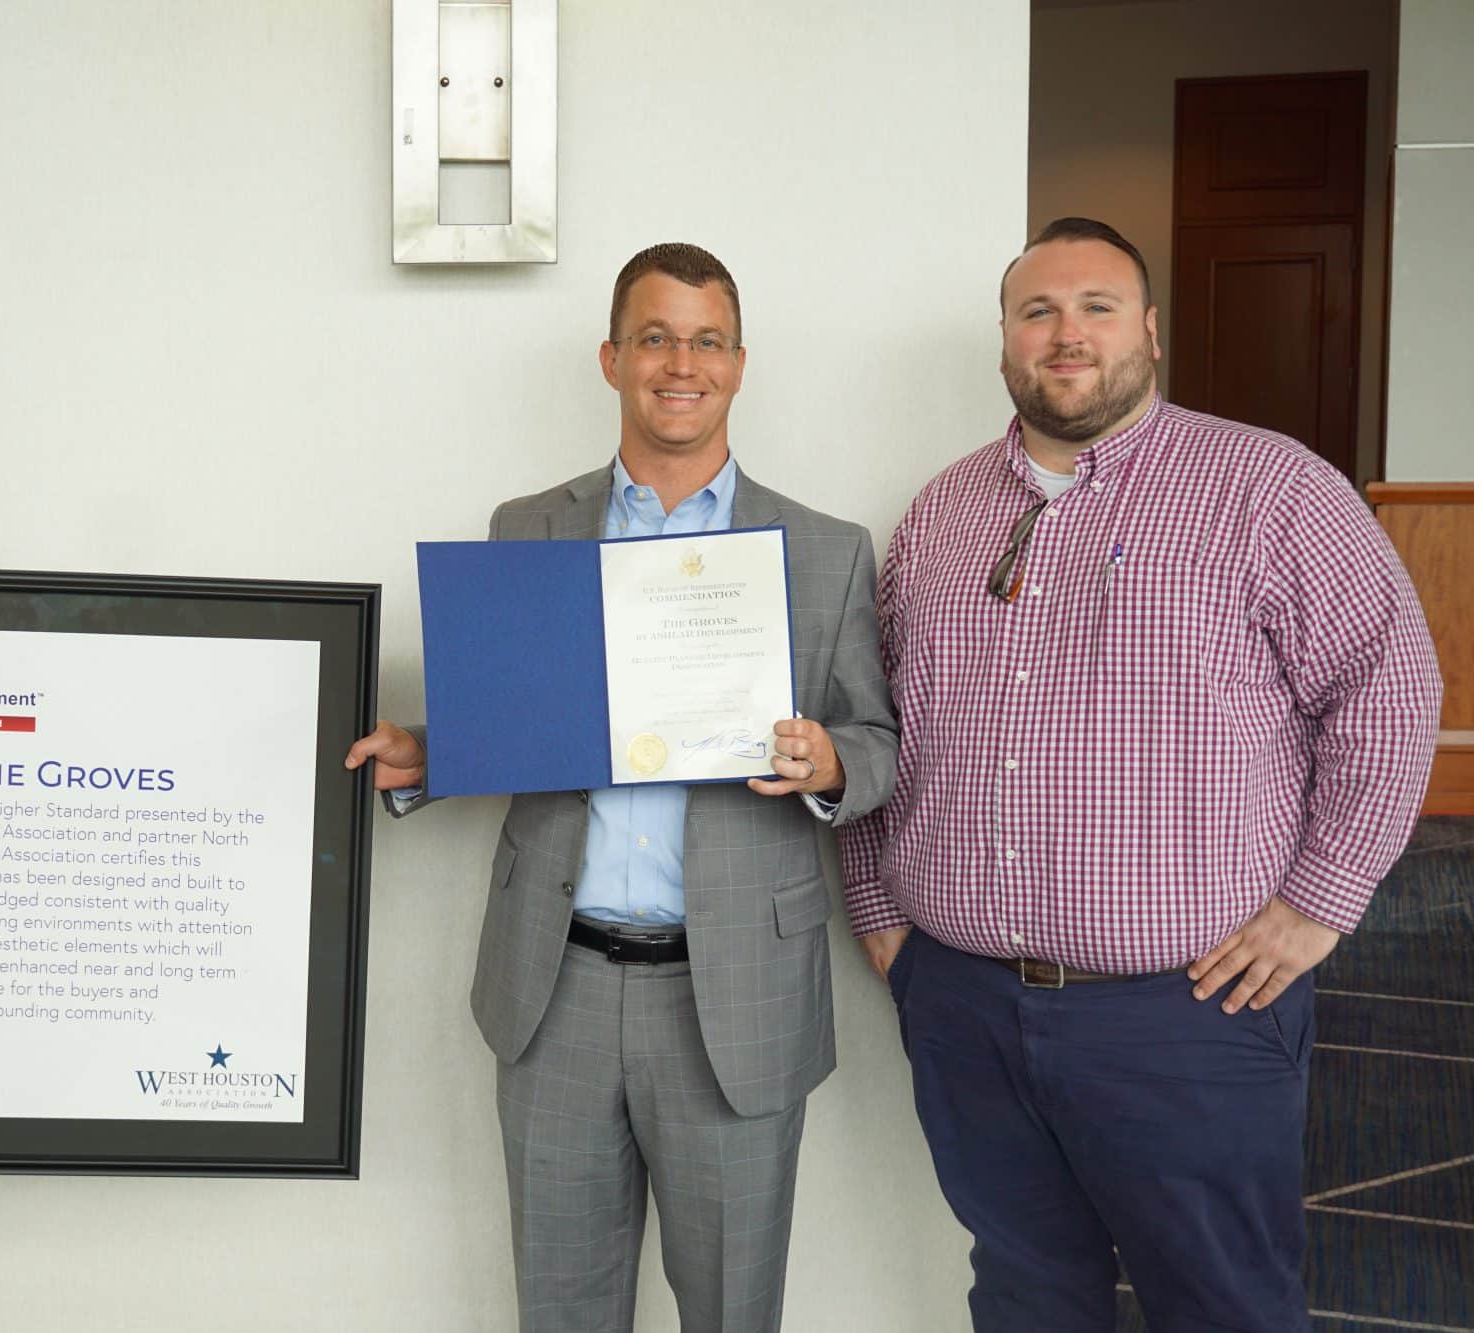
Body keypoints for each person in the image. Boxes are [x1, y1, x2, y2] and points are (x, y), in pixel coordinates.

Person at [839, 217, 1442, 1331]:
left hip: (1186, 1016)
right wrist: (880, 906)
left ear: (1149, 331)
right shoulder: (939, 512)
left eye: (1095, 306)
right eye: (1036, 311)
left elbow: (1390, 691)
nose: (1065, 334)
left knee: (1222, 1304)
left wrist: (1317, 901)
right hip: (963, 1005)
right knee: (1023, 1295)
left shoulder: (1266, 488)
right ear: (1005, 343)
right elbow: (873, 721)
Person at [346, 242, 898, 1332]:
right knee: (559, 1311)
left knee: (732, 1312)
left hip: (734, 996)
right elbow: (519, 719)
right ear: (610, 358)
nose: (676, 362)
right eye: (652, 337)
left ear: (738, 363)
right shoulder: (527, 529)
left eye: (703, 340)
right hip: (556, 991)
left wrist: (828, 765)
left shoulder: (826, 551)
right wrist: (431, 748)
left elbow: (875, 741)